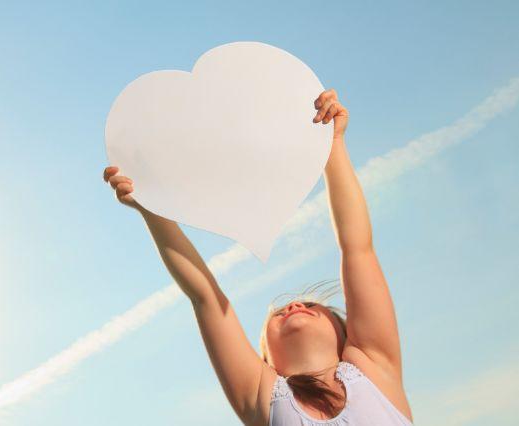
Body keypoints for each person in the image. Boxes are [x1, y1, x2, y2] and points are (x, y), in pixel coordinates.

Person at [102, 89, 414, 425]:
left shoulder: (371, 365)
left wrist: (332, 146)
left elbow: (358, 248)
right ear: (266, 359)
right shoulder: (264, 395)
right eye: (282, 313)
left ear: (345, 336)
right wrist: (154, 210)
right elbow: (206, 297)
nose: (294, 307)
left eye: (311, 307)